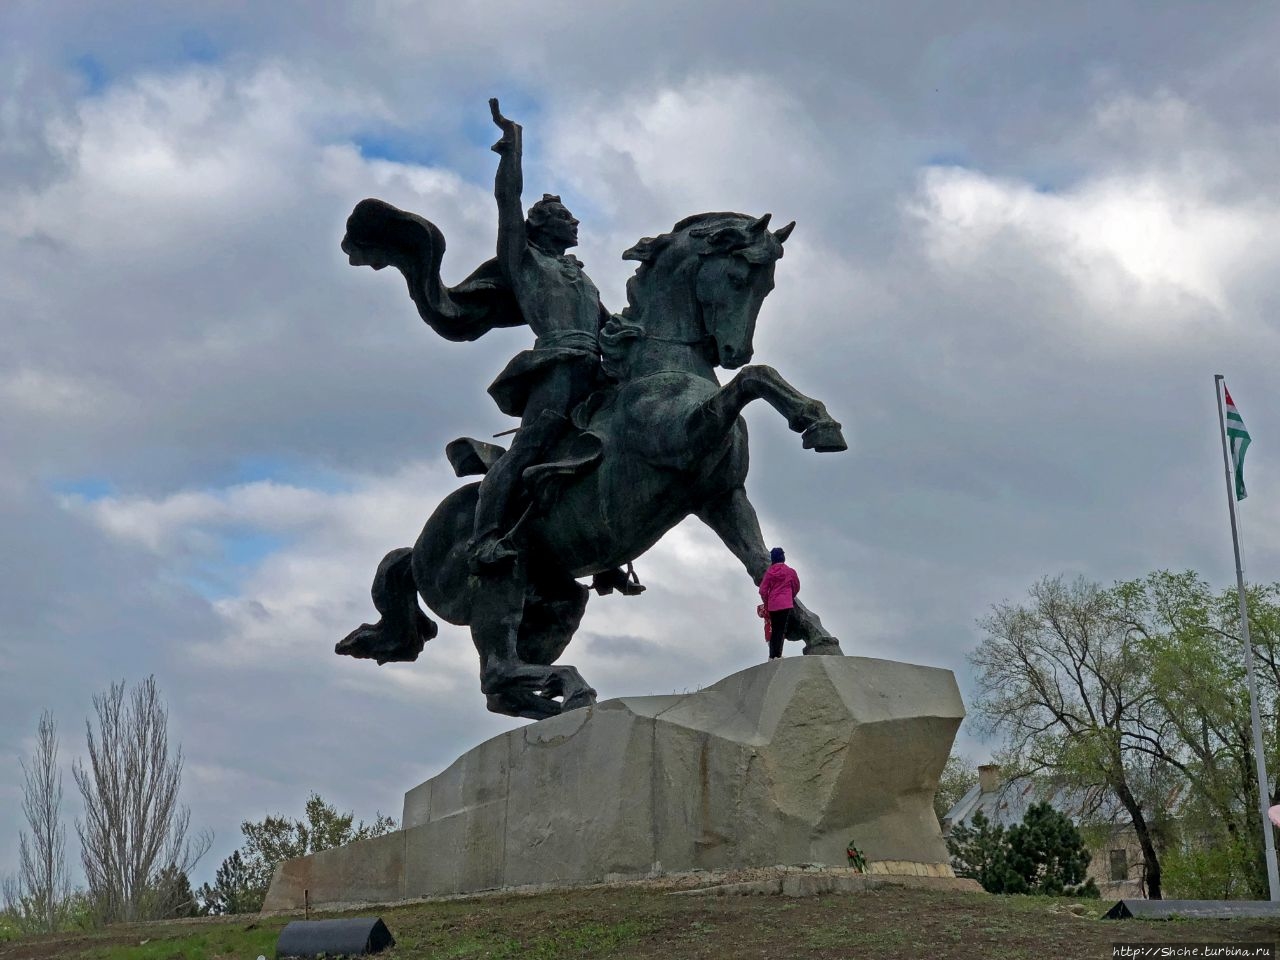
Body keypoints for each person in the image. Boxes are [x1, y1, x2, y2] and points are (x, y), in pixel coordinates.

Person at [469, 98, 612, 569]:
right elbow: (507, 203)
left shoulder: (582, 278)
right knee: (530, 446)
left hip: (595, 369)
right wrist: (513, 150)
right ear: (543, 226)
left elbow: (611, 328)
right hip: (556, 367)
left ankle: (608, 551)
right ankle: (484, 538)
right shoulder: (525, 262)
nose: (575, 222)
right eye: (566, 216)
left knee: (620, 442)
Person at [759, 547, 800, 660]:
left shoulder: (769, 573)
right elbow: (796, 586)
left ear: (772, 559)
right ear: (783, 557)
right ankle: (777, 655)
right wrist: (790, 596)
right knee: (781, 630)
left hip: (772, 604)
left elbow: (762, 590)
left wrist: (767, 601)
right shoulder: (790, 571)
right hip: (785, 604)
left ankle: (772, 656)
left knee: (775, 629)